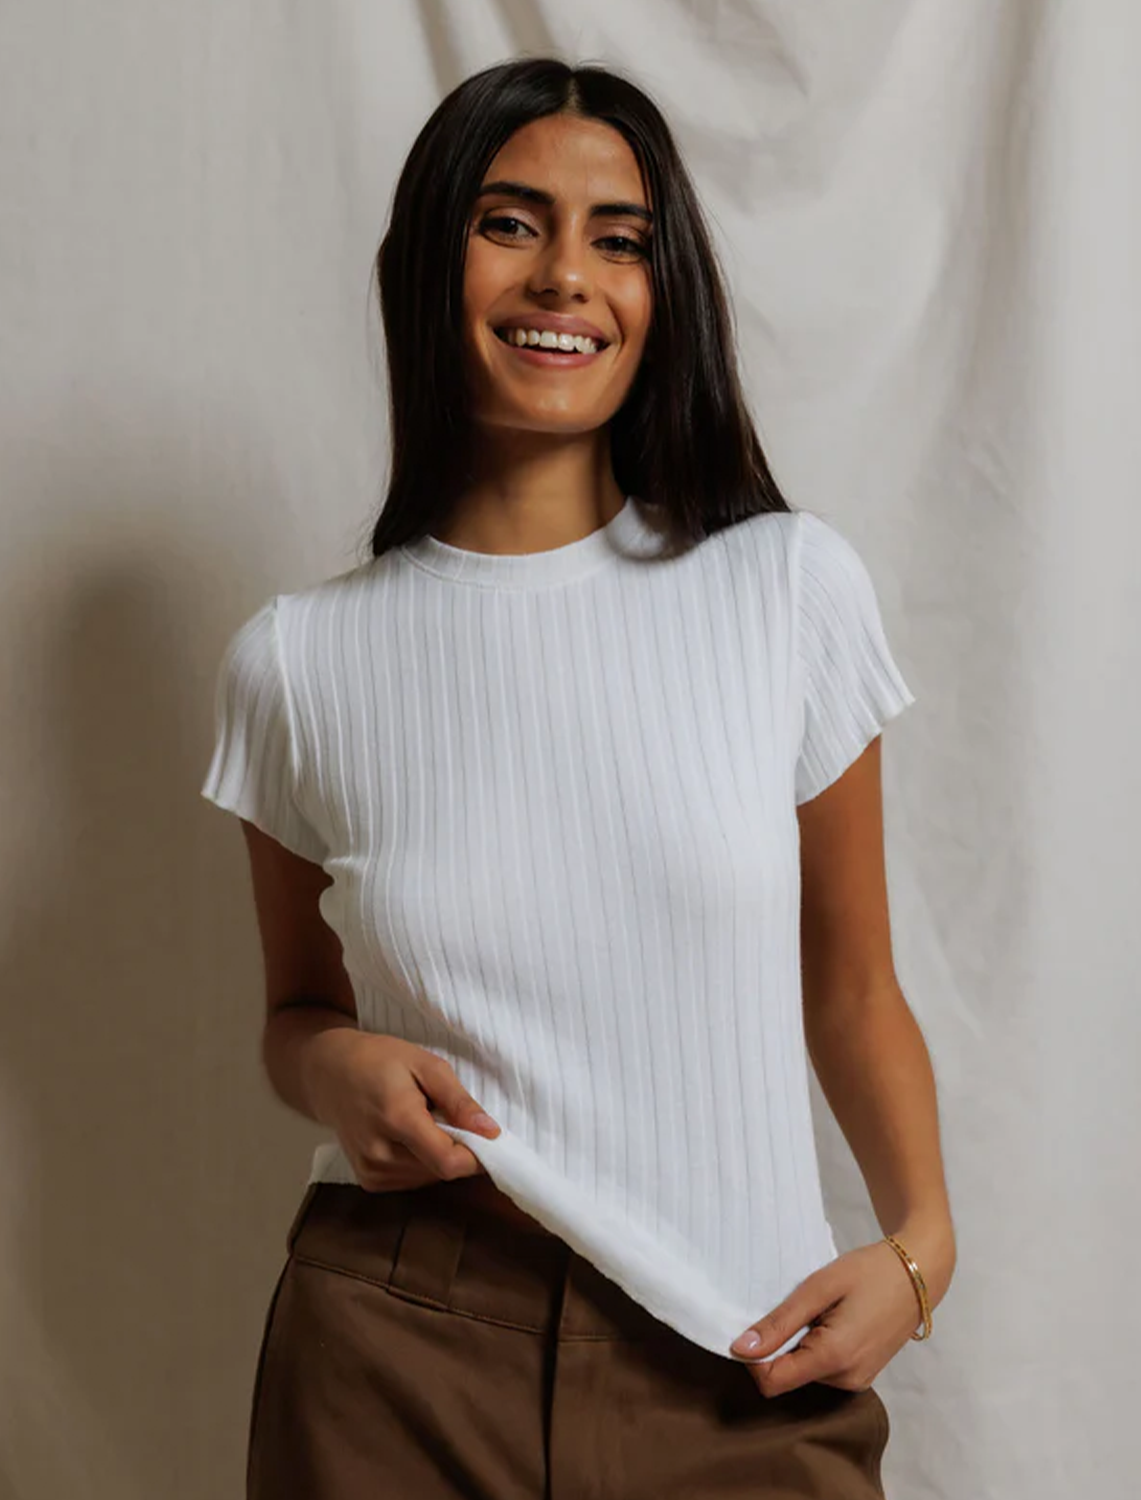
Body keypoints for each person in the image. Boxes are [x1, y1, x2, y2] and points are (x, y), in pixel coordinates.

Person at [201, 55, 956, 1500]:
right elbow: (294, 1013)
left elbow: (854, 983)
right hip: (399, 1348)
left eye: (619, 240)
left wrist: (921, 1248)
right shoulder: (297, 660)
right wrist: (332, 1065)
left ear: (663, 294)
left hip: (742, 1348)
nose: (565, 276)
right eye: (511, 224)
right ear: (431, 265)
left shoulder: (785, 590)